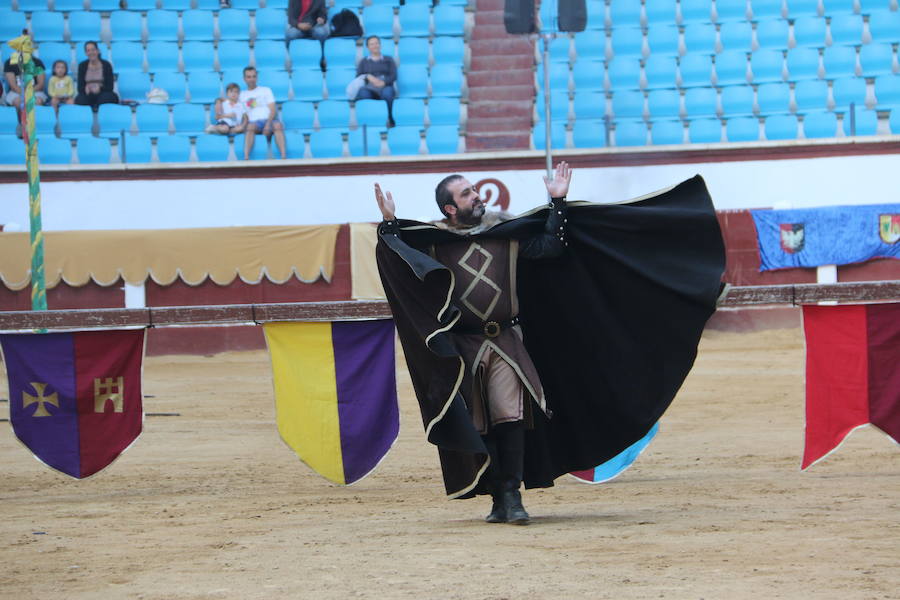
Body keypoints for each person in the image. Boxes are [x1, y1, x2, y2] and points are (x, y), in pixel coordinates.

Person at [374, 165, 726, 525]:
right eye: (466, 193)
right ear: (450, 208)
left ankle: (512, 496)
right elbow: (398, 259)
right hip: (465, 345)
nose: (477, 195)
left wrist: (558, 201)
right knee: (481, 424)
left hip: (507, 343)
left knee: (509, 417)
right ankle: (497, 496)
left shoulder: (507, 234)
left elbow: (551, 247)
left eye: (475, 189)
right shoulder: (435, 244)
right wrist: (389, 225)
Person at [239, 66, 286, 160]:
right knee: (249, 127)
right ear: (244, 79)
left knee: (278, 125)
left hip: (269, 120)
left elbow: (273, 109)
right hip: (254, 123)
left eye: (254, 76)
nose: (252, 79)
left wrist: (268, 124)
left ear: (257, 77)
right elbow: (244, 115)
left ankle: (283, 157)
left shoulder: (266, 90)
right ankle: (246, 158)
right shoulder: (241, 95)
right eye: (249, 77)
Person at [355, 36, 396, 127]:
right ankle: (372, 120)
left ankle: (390, 118)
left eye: (376, 43)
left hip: (385, 86)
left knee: (388, 93)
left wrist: (384, 82)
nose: (375, 46)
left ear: (380, 45)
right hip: (370, 88)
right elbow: (358, 76)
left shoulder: (389, 59)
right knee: (363, 93)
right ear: (368, 47)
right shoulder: (363, 61)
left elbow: (394, 75)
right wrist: (368, 77)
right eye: (372, 44)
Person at [75, 41, 118, 111]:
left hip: (103, 92)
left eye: (93, 50)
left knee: (108, 97)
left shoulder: (106, 65)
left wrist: (100, 88)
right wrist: (86, 89)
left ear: (98, 51)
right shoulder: (82, 66)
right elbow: (80, 87)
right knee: (79, 99)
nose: (91, 52)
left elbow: (110, 86)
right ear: (86, 53)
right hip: (88, 94)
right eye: (88, 50)